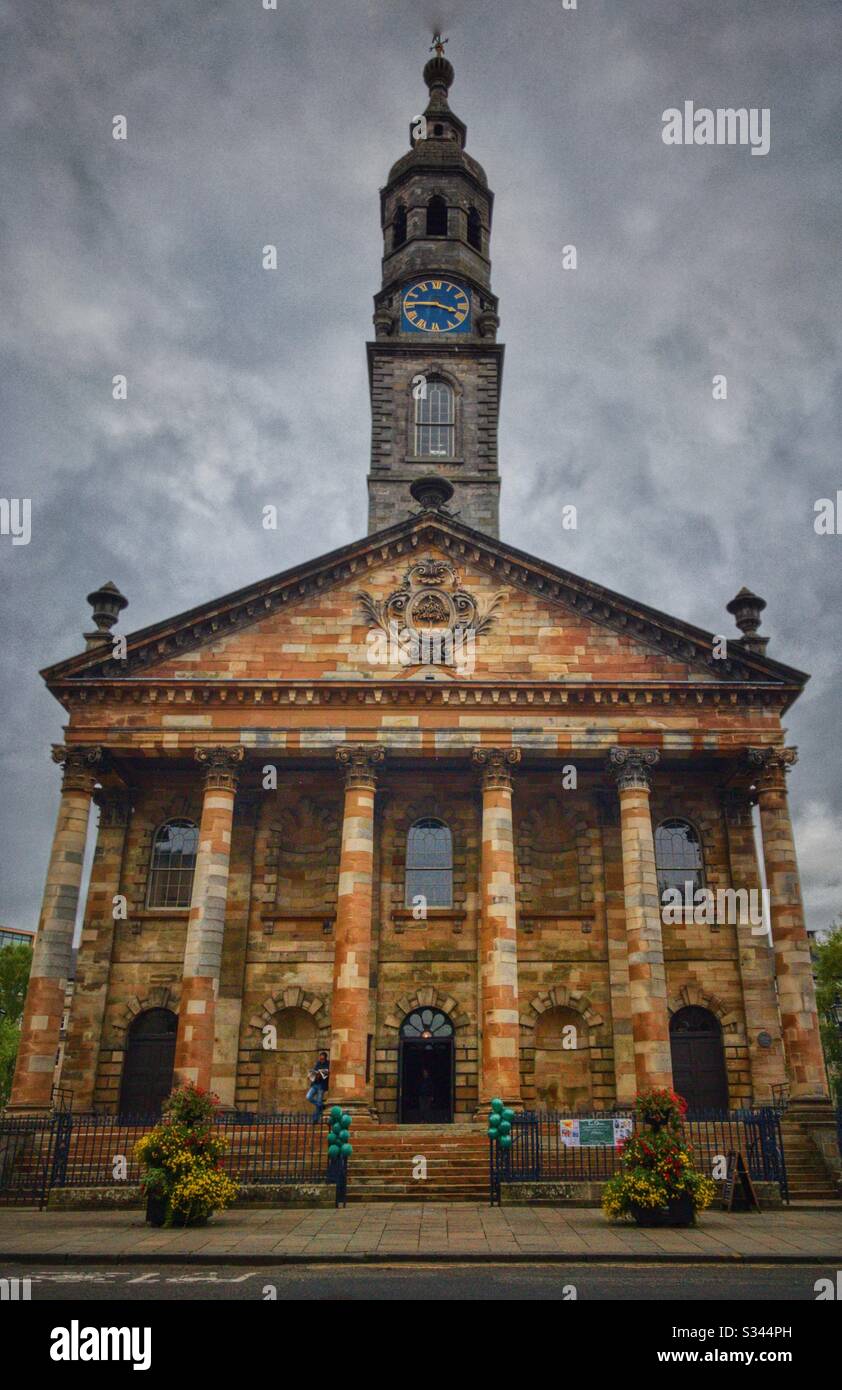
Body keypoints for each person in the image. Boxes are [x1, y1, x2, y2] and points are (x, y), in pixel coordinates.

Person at [306, 1050, 329, 1124]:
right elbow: (314, 1072)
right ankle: (322, 1105)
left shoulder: (327, 1064)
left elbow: (326, 1074)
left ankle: (315, 1119)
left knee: (319, 1101)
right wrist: (310, 1076)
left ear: (325, 1058)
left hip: (321, 1086)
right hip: (315, 1084)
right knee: (308, 1097)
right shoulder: (318, 1064)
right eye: (320, 1058)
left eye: (322, 1058)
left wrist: (320, 1074)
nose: (321, 1059)